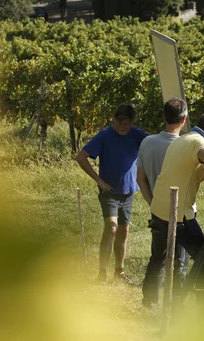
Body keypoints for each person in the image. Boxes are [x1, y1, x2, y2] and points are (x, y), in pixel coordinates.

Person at [142, 111, 204, 309]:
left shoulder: (181, 139)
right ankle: (203, 315)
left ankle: (154, 302)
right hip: (176, 213)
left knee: (159, 256)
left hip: (159, 208)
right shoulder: (198, 142)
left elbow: (195, 175)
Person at [75, 103, 148, 283]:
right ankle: (101, 273)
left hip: (128, 191)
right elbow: (81, 157)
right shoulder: (105, 135)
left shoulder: (136, 134)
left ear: (132, 122)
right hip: (109, 191)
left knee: (123, 230)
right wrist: (99, 181)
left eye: (127, 123)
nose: (123, 127)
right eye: (119, 122)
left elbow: (153, 145)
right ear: (114, 119)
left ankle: (119, 271)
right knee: (112, 228)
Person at [137, 98, 190, 309]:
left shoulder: (147, 142)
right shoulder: (186, 144)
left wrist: (153, 202)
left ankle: (149, 300)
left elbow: (140, 178)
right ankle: (176, 303)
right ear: (184, 119)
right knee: (180, 261)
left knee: (157, 257)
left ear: (164, 116)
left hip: (157, 210)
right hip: (182, 212)